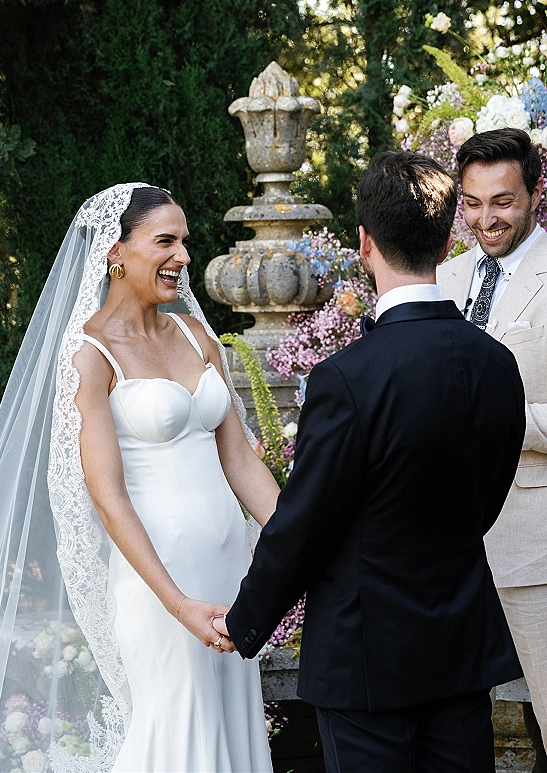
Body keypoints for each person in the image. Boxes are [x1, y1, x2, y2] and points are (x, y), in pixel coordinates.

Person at [213, 151, 525, 773]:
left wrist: (246, 622)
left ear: (363, 242)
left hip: (365, 657)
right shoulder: (497, 363)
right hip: (459, 649)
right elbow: (485, 500)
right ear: (447, 236)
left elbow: (305, 523)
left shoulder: (345, 378)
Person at [0, 183, 278, 773]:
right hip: (159, 585)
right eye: (165, 240)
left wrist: (305, 545)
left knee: (230, 733)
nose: (183, 256)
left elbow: (241, 463)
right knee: (176, 736)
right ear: (116, 252)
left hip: (232, 574)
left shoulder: (196, 335)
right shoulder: (88, 353)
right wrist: (179, 604)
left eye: (184, 241)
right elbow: (107, 498)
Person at [437, 127, 547, 747]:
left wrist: (499, 421)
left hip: (536, 542)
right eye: (473, 203)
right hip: (444, 548)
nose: (486, 218)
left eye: (503, 201)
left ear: (534, 193)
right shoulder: (443, 277)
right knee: (453, 736)